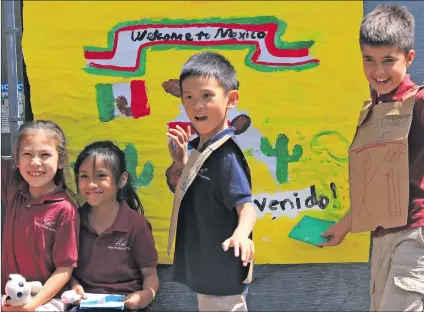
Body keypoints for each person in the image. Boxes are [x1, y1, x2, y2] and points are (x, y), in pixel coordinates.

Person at [320, 4, 424, 312]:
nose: (378, 71)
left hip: (415, 234)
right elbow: (376, 187)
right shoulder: (372, 110)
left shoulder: (419, 101)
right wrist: (345, 224)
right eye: (369, 60)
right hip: (382, 237)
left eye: (388, 61)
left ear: (409, 58)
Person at [165, 51, 257, 311]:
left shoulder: (225, 155)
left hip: (222, 273)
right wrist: (180, 163)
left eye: (207, 96)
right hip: (206, 267)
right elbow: (183, 191)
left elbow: (247, 206)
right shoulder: (200, 148)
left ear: (232, 99)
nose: (197, 106)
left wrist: (241, 234)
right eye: (189, 97)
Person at [70, 141, 159, 312]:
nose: (91, 185)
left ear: (122, 179)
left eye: (101, 176)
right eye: (84, 176)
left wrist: (144, 296)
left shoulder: (137, 225)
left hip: (126, 305)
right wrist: (73, 285)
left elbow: (150, 274)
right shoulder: (72, 221)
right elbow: (64, 269)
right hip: (81, 304)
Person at [1, 120, 80, 311]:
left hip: (48, 300)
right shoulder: (13, 187)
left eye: (45, 155)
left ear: (60, 160)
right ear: (17, 160)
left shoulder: (65, 209)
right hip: (8, 296)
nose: (35, 162)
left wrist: (32, 306)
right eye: (27, 154)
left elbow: (64, 270)